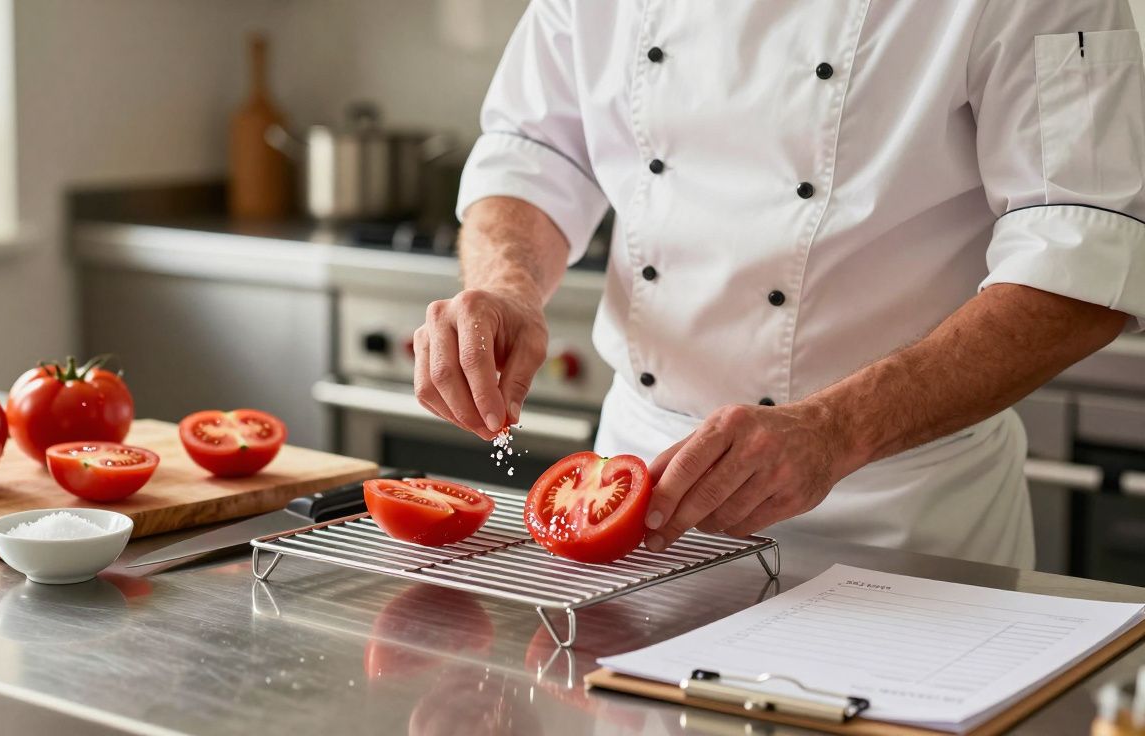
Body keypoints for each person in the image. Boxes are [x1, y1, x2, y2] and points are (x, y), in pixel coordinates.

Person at [412, 2, 1145, 567]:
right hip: (640, 492)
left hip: (906, 514)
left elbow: (1080, 250)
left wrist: (836, 431)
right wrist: (507, 282)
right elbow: (535, 148)